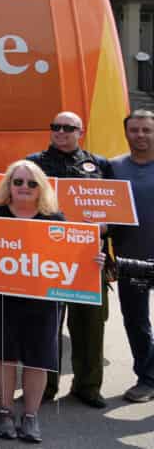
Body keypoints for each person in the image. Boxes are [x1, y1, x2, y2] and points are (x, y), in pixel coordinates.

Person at [0, 160, 102, 443]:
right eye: (18, 182)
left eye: (32, 183)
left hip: (43, 301)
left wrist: (95, 258)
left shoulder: (55, 219)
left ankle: (30, 417)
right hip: (3, 298)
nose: (24, 187)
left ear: (41, 187)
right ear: (9, 185)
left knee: (37, 359)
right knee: (5, 357)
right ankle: (5, 413)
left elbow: (74, 258)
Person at [27, 111, 112, 407]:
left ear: (81, 131)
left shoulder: (100, 164)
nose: (60, 132)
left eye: (67, 128)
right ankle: (44, 388)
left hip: (88, 258)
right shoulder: (33, 163)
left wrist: (106, 227)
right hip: (45, 257)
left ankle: (88, 387)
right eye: (55, 127)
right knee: (45, 324)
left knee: (90, 324)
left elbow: (115, 209)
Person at [109, 108, 154, 403]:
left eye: (146, 130)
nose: (140, 135)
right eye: (134, 130)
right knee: (136, 321)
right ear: (125, 132)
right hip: (130, 260)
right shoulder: (112, 167)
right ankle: (147, 379)